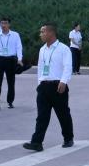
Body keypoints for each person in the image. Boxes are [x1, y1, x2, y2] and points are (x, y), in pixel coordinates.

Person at [23, 23, 75, 151]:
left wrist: (64, 81)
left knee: (63, 114)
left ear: (51, 33)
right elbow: (40, 68)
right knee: (42, 116)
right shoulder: (42, 49)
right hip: (44, 87)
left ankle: (68, 138)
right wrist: (39, 84)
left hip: (58, 86)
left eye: (43, 32)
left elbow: (68, 66)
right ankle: (37, 142)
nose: (40, 34)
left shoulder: (63, 49)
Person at [0, 18, 23, 110]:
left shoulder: (15, 35)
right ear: (0, 24)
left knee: (11, 82)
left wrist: (20, 59)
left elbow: (19, 47)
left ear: (9, 25)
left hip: (11, 60)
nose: (3, 25)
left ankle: (10, 101)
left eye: (6, 23)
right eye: (2, 23)